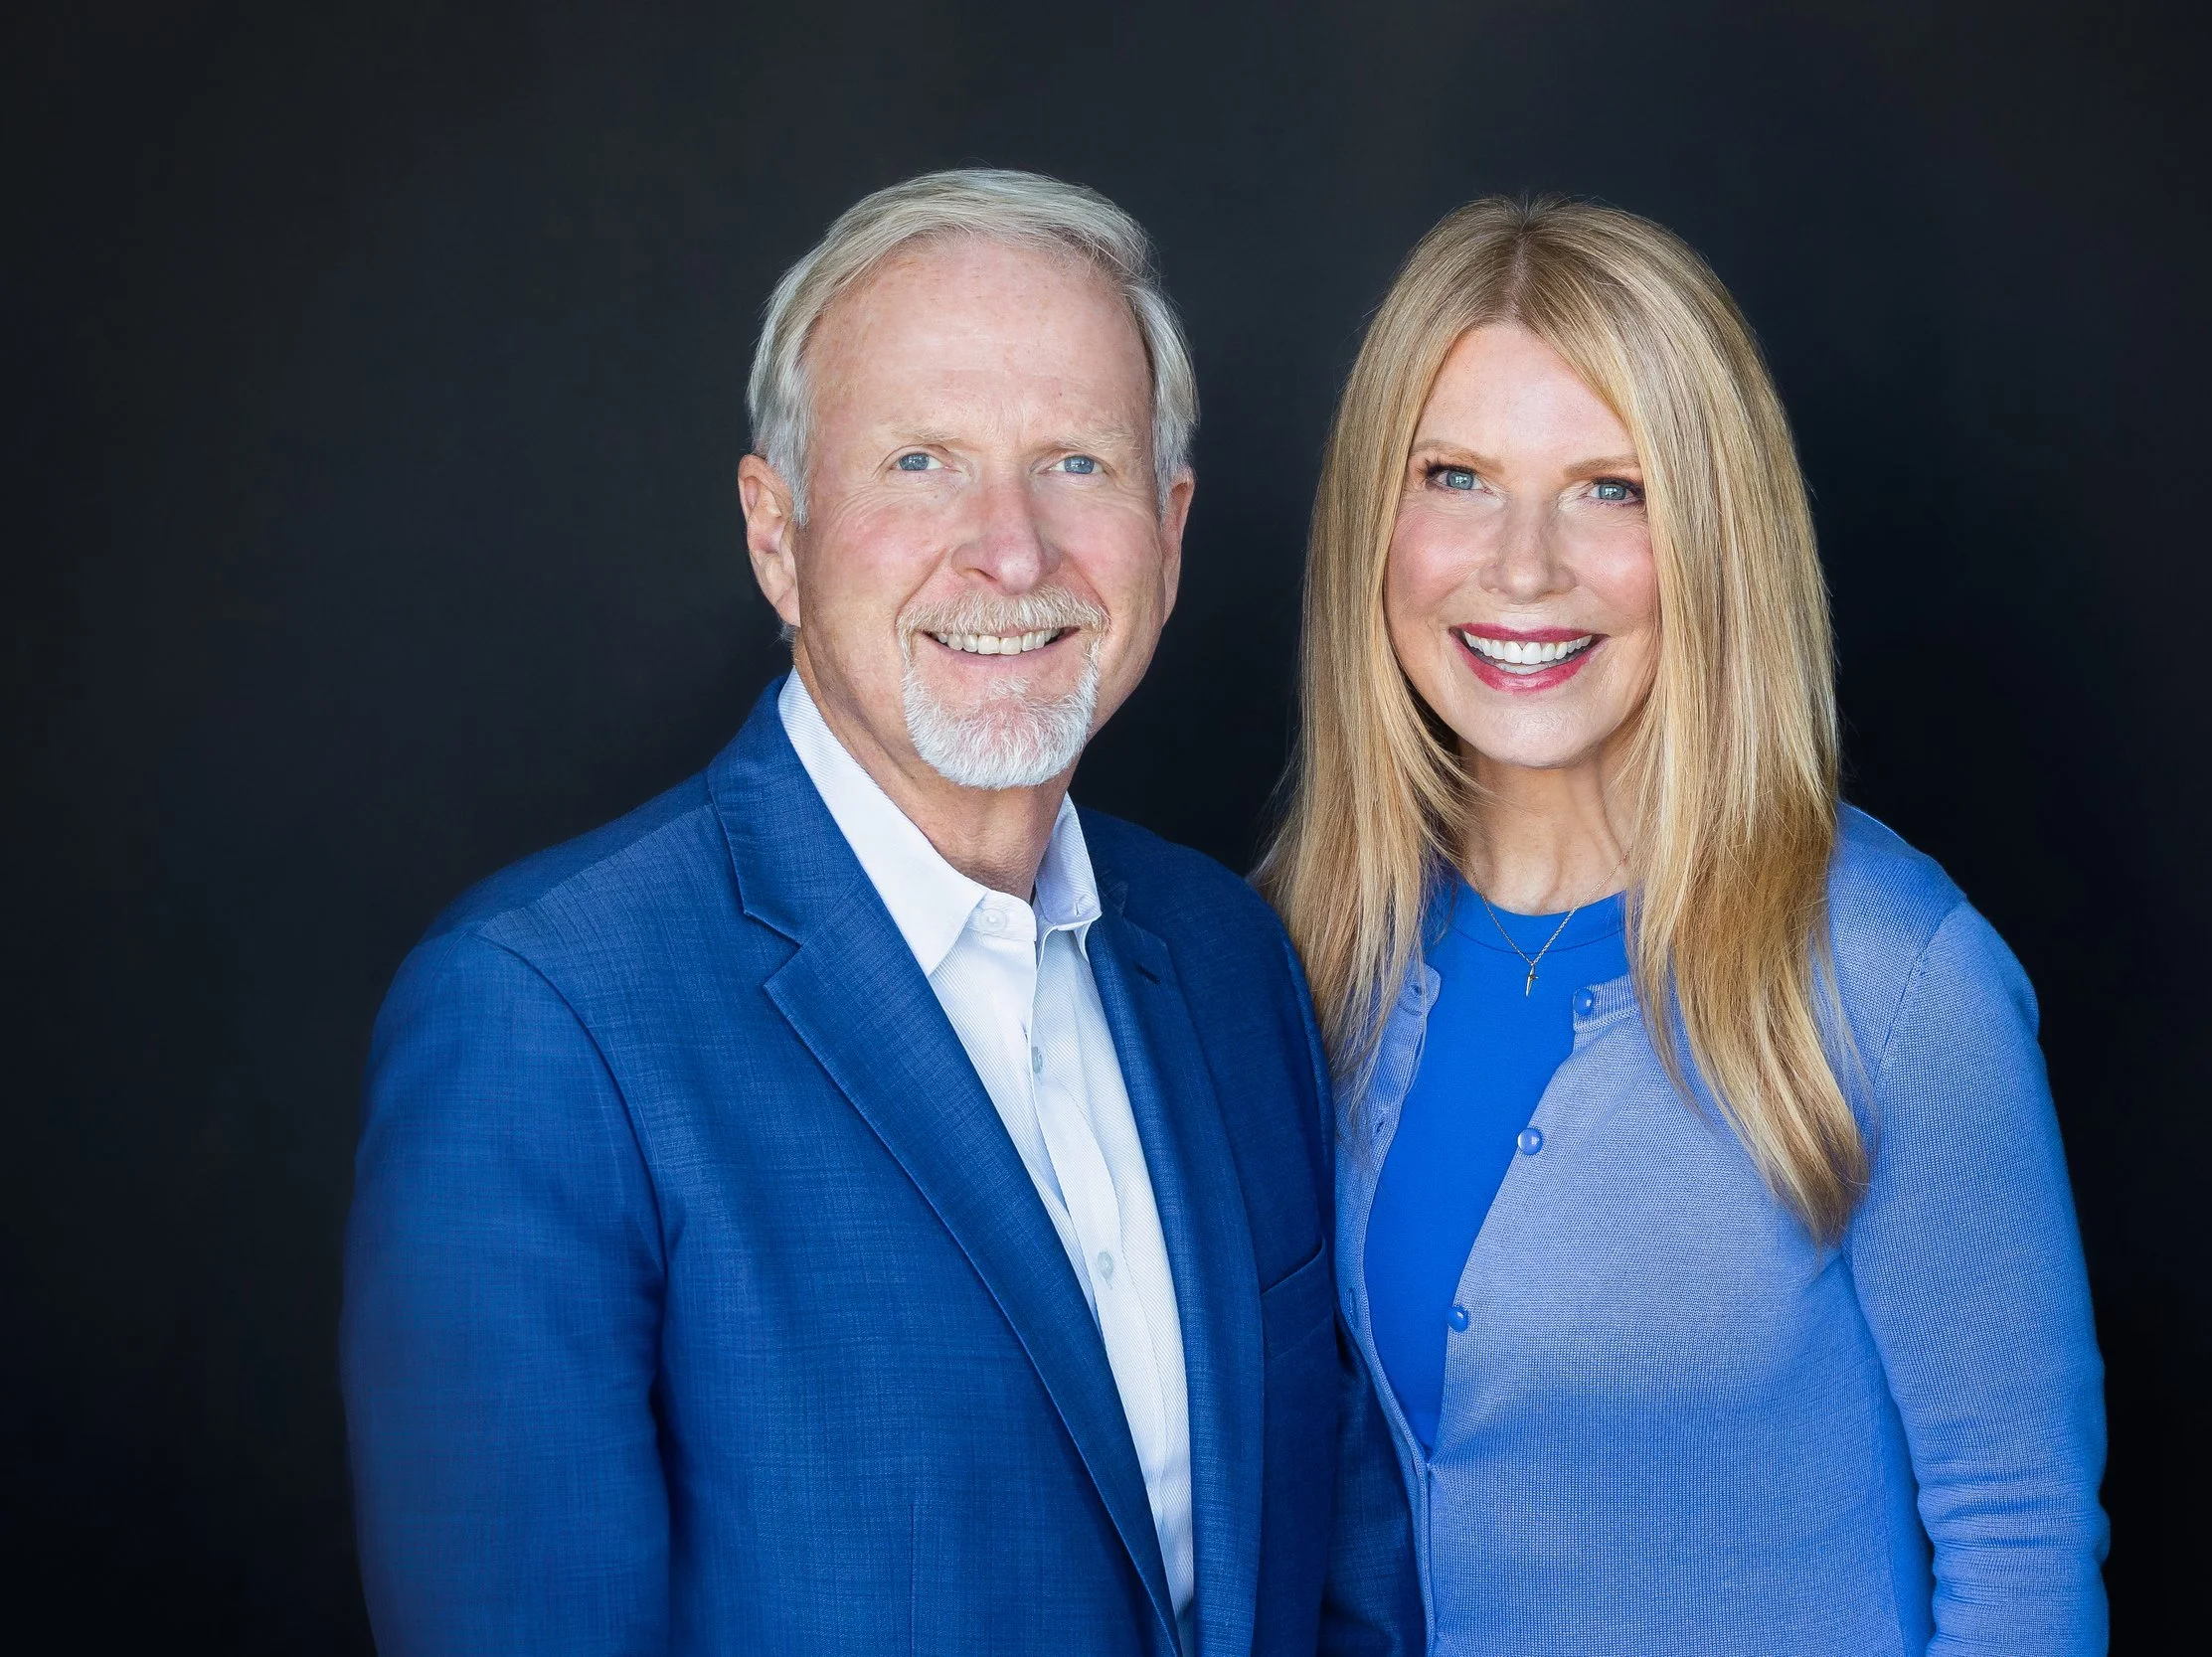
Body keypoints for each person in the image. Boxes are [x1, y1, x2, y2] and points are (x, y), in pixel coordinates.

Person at [343, 169, 1419, 1657]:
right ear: (775, 531)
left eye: (1079, 464)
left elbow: (1345, 1591)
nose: (1013, 550)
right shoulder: (544, 1020)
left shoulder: (1229, 959)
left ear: (1169, 532)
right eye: (921, 461)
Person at [1261, 197, 2110, 1654]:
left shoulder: (1895, 978)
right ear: (1372, 526)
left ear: (1716, 533)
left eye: (1613, 487)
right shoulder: (1313, 944)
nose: (1521, 567)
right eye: (1456, 475)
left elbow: (2020, 1537)